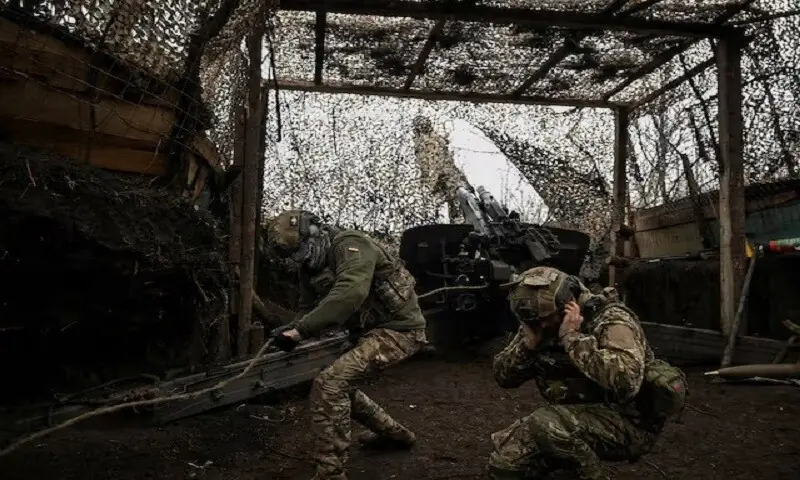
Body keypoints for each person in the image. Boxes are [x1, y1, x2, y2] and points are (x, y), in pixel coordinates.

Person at [266, 210, 427, 480]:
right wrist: (293, 329)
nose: (300, 260)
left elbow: (351, 292)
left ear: (315, 233)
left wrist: (300, 331)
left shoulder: (350, 244)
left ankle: (331, 473)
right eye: (294, 256)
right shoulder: (310, 267)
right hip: (369, 333)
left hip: (400, 332)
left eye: (302, 250)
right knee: (339, 385)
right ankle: (398, 436)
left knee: (329, 384)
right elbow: (308, 308)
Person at [489, 266, 687, 480]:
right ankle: (565, 461)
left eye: (548, 318)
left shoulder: (612, 320)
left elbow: (626, 381)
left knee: (546, 422)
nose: (543, 325)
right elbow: (503, 377)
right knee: (504, 468)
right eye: (535, 321)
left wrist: (572, 338)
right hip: (568, 422)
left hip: (627, 424)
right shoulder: (539, 322)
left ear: (569, 304)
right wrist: (528, 345)